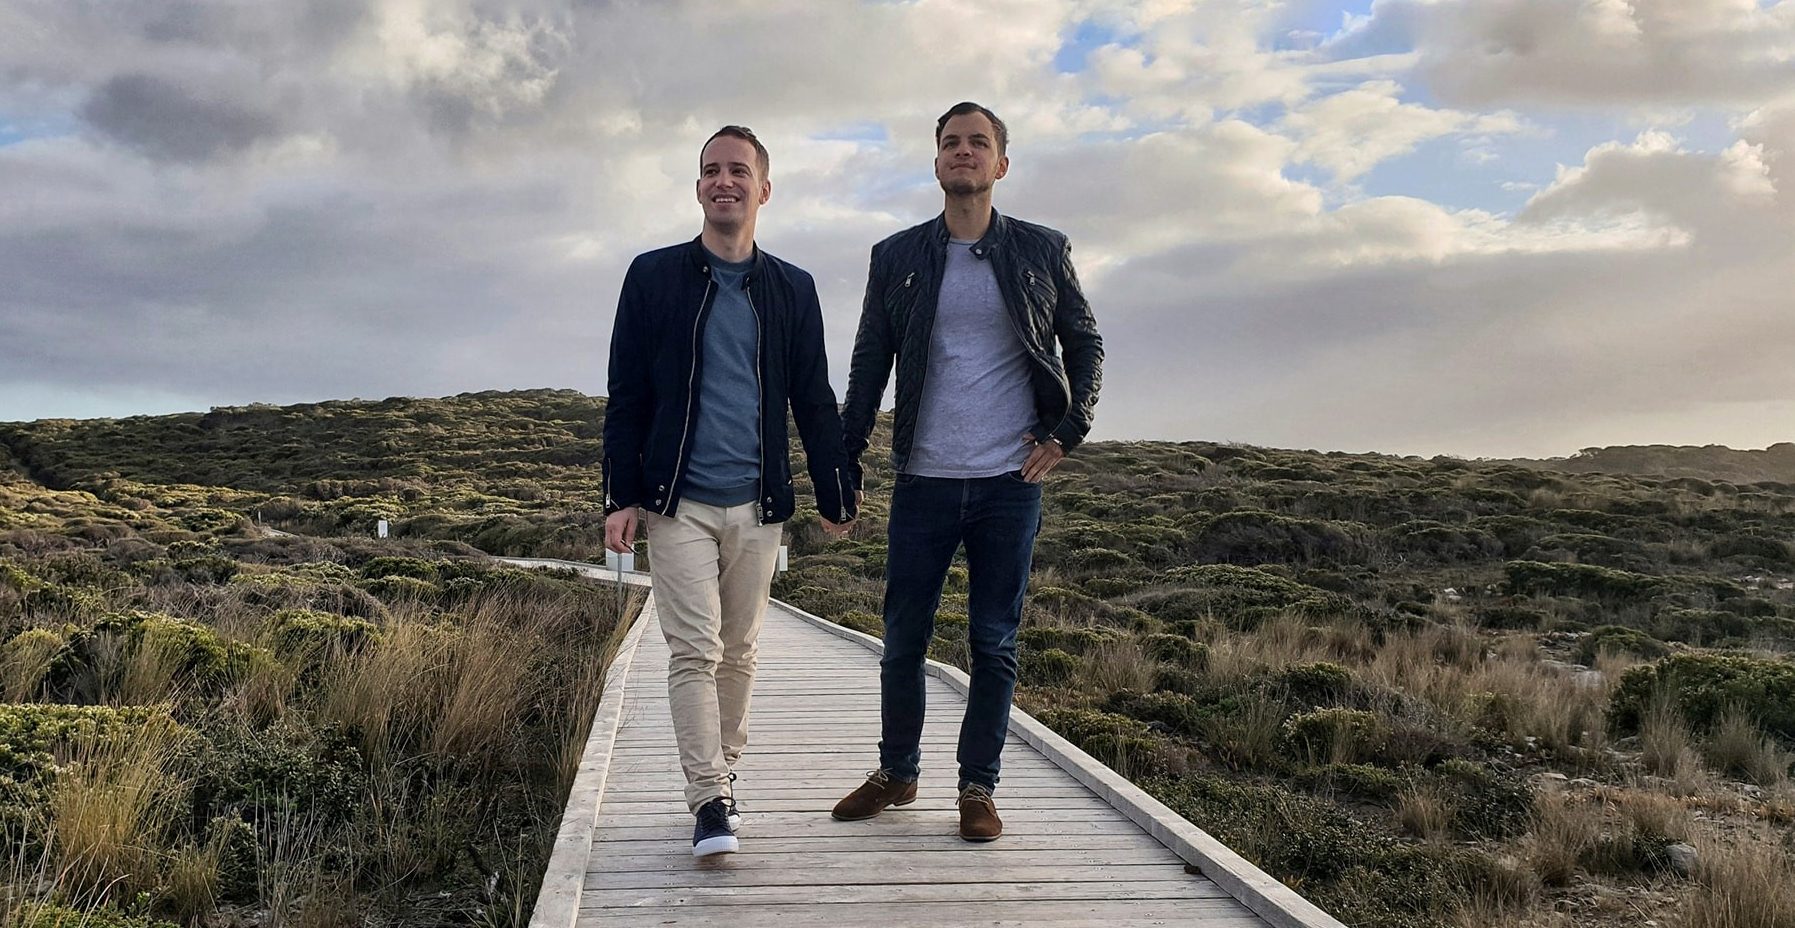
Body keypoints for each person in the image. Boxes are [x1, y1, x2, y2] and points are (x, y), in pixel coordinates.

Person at [831, 101, 1104, 842]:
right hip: (922, 479)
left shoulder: (1041, 250)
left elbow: (1082, 343)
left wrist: (1067, 431)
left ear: (1000, 164)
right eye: (951, 143)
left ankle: (977, 789)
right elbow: (867, 366)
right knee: (901, 640)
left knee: (994, 641)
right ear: (936, 162)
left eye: (978, 143)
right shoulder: (897, 256)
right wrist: (843, 463)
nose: (963, 152)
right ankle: (897, 772)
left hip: (1006, 484)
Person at [602, 125, 857, 857]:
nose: (724, 181)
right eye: (711, 171)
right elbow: (627, 393)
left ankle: (726, 774)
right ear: (697, 189)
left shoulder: (791, 289)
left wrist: (834, 486)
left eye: (738, 171)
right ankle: (707, 798)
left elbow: (812, 398)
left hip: (759, 502)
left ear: (763, 189)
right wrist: (620, 494)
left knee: (740, 651)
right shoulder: (652, 277)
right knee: (693, 650)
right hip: (674, 500)